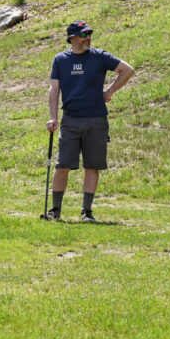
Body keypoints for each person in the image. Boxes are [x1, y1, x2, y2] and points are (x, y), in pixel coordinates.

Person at [45, 20, 135, 222]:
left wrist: (109, 91)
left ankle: (86, 211)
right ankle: (55, 210)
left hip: (96, 119)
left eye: (89, 34)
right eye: (84, 35)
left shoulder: (99, 56)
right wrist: (53, 117)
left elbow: (127, 70)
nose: (88, 38)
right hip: (70, 119)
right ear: (72, 38)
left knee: (92, 165)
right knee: (62, 165)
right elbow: (54, 89)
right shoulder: (60, 60)